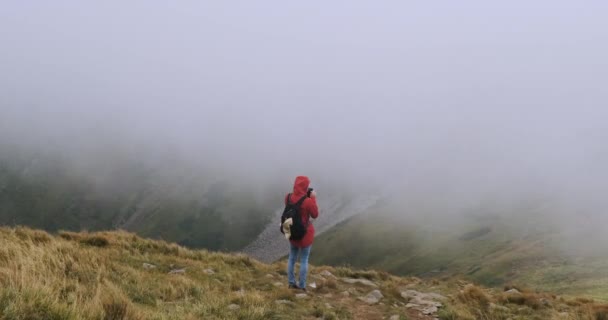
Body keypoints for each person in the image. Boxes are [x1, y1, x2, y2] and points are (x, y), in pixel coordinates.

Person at [285, 176, 319, 290]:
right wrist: (313, 197)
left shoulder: (288, 197)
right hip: (305, 235)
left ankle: (291, 282)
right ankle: (302, 285)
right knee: (304, 259)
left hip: (292, 232)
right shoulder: (308, 201)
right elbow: (315, 214)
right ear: (305, 186)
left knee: (292, 258)